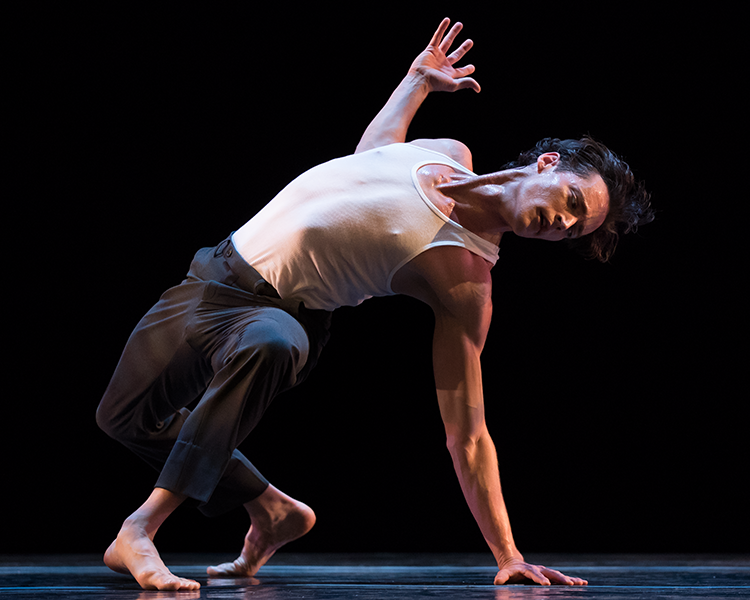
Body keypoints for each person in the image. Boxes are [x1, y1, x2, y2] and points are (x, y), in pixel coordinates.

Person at [96, 18, 653, 591]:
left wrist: (507, 553)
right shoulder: (446, 150)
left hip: (280, 316)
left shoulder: (465, 278)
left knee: (273, 344)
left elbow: (468, 433)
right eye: (570, 202)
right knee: (123, 420)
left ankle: (141, 527)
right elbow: (365, 160)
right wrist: (415, 81)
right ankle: (273, 508)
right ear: (548, 164)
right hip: (214, 274)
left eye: (571, 230)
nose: (561, 224)